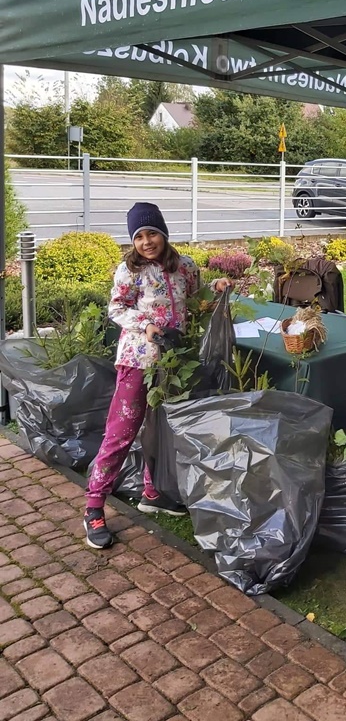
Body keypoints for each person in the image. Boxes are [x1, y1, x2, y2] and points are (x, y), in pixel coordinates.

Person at [84, 202, 232, 549]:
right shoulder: (129, 271)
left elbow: (194, 300)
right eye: (139, 236)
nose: (146, 242)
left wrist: (217, 288)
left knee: (160, 428)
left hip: (175, 363)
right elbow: (117, 308)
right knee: (121, 433)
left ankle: (152, 492)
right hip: (138, 359)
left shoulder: (186, 267)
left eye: (152, 233)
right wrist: (147, 325)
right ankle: (93, 505)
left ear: (163, 233)